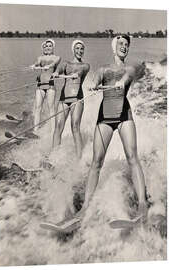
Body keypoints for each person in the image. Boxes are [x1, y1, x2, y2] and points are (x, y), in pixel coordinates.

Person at [76, 35, 148, 221]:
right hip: (105, 117)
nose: (124, 47)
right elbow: (95, 81)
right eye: (120, 44)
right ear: (114, 47)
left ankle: (142, 205)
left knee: (132, 157)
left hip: (124, 115)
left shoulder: (129, 68)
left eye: (126, 45)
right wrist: (92, 86)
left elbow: (130, 74)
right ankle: (84, 208)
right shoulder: (103, 69)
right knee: (96, 161)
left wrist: (121, 82)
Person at [52, 40, 90, 159]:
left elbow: (80, 73)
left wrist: (75, 74)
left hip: (77, 98)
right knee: (58, 126)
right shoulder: (66, 64)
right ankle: (54, 156)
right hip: (64, 98)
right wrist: (56, 73)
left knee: (75, 126)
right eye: (77, 48)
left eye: (81, 49)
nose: (79, 51)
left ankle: (79, 158)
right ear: (73, 50)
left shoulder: (85, 66)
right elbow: (58, 70)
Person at [30, 39, 61, 135]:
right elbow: (37, 62)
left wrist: (49, 66)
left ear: (53, 47)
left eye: (50, 46)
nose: (48, 48)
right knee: (38, 107)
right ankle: (36, 130)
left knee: (51, 108)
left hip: (50, 86)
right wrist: (34, 65)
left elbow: (55, 63)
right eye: (46, 46)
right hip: (40, 85)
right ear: (44, 48)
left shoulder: (57, 57)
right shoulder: (40, 57)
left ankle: (53, 131)